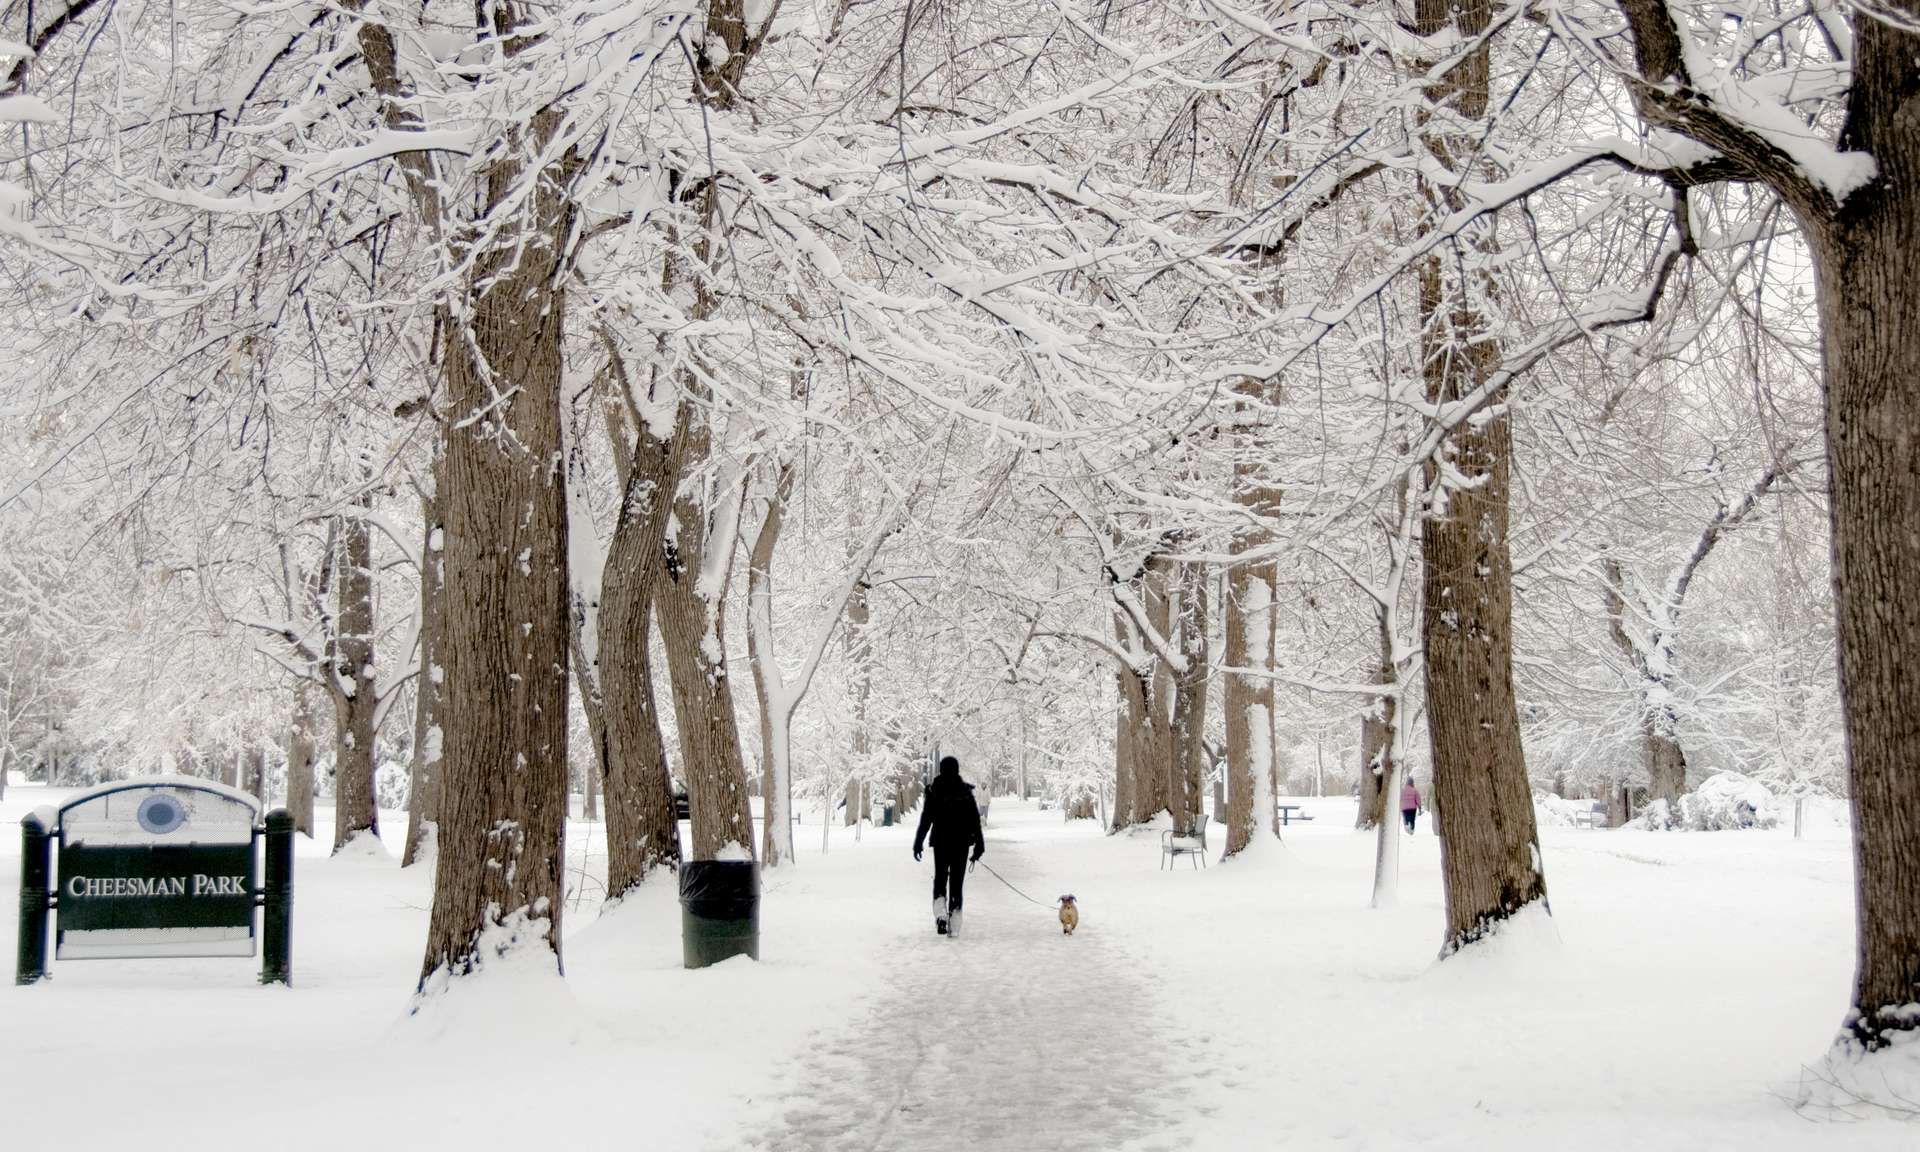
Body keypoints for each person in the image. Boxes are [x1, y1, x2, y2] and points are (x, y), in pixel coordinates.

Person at [913, 755, 985, 936]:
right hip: (961, 843)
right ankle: (954, 920)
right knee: (956, 881)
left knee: (940, 878)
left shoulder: (934, 791)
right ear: (957, 769)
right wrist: (979, 844)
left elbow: (926, 819)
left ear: (940, 770)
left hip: (941, 842)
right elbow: (974, 820)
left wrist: (918, 842)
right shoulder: (965, 792)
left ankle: (940, 915)